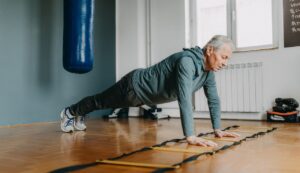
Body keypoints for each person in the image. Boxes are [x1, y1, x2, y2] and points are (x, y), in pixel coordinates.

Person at [60, 35, 240, 147]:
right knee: (100, 101)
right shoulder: (187, 61)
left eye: (227, 59)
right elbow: (184, 98)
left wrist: (218, 128)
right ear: (209, 50)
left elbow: (214, 99)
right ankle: (70, 112)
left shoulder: (207, 73)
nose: (225, 63)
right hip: (133, 87)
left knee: (101, 102)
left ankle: (79, 113)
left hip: (142, 97)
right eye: (223, 57)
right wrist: (190, 137)